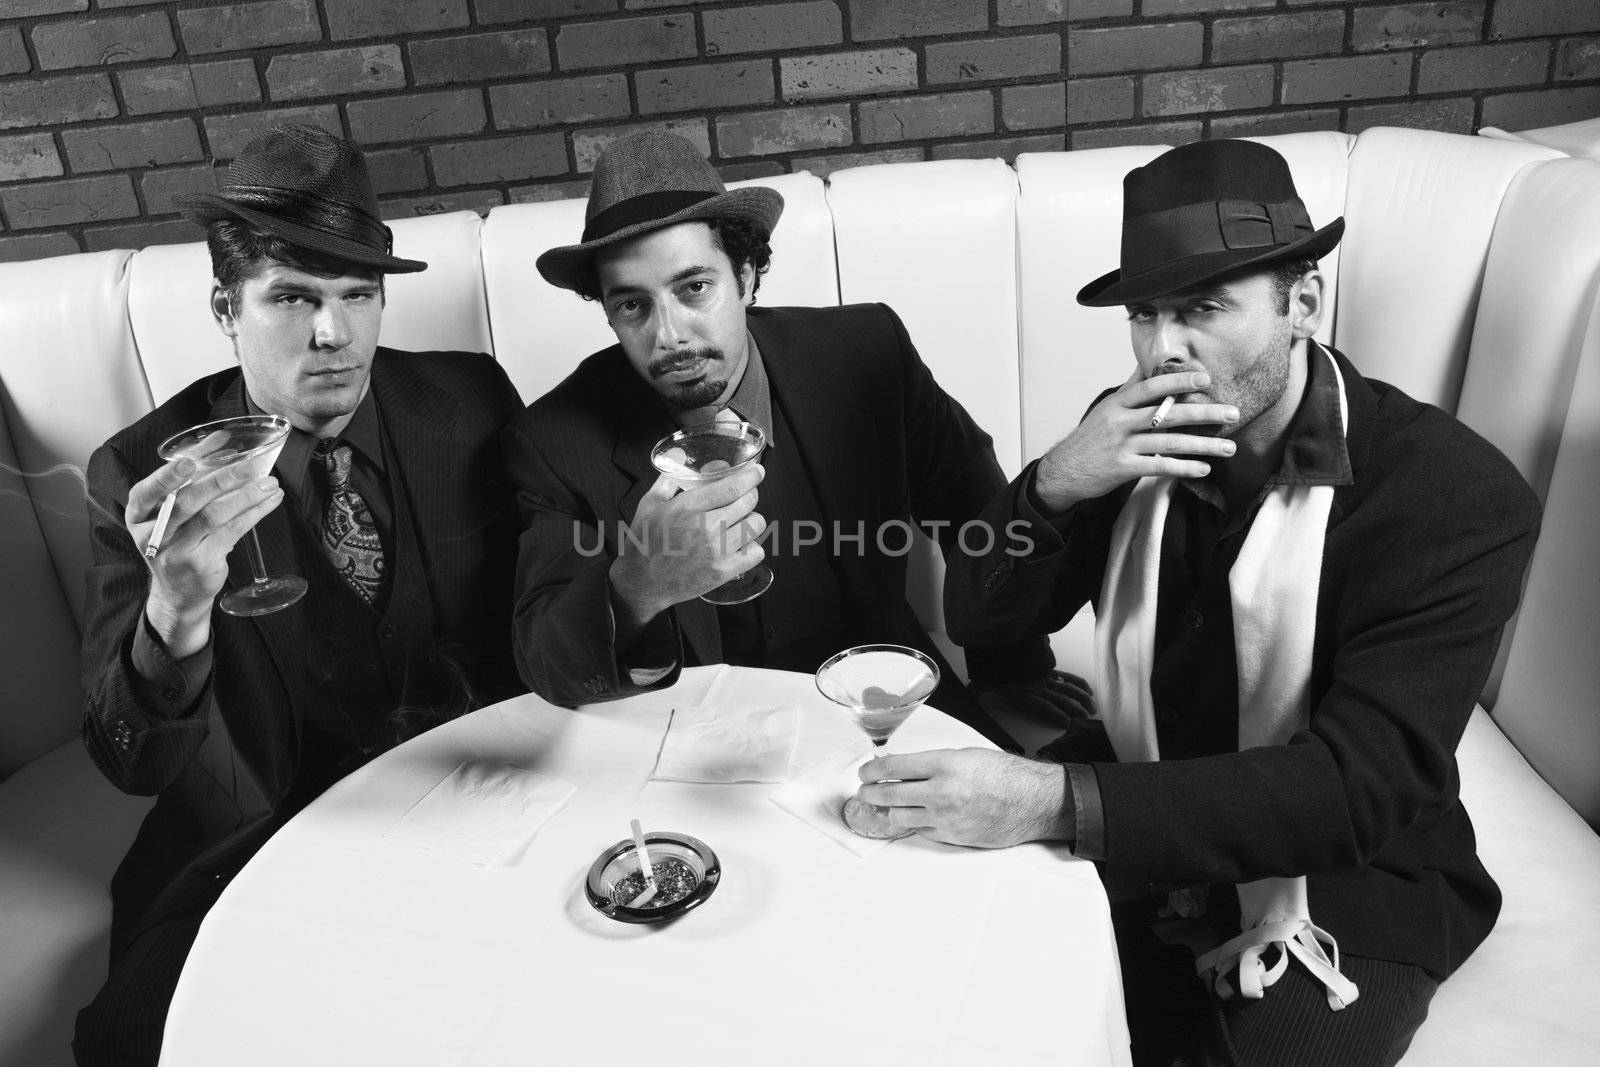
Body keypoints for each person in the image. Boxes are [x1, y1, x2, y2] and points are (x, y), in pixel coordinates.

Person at [902, 140, 1539, 1065]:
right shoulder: (1128, 430)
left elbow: (1360, 788)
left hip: (1344, 875)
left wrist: (1053, 799)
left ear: (1303, 303)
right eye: (1146, 315)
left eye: (1203, 308)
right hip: (1140, 773)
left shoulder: (1454, 495)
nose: (1165, 350)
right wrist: (1052, 485)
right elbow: (983, 621)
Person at [75, 125, 525, 1066]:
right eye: (293, 297)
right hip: (264, 835)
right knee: (134, 1040)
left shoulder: (472, 402)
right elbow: (132, 761)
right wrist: (177, 610)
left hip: (476, 811)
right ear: (223, 306)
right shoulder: (144, 471)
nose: (335, 333)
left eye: (359, 295)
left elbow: (554, 600)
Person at [503, 131, 1087, 747]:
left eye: (694, 288)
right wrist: (636, 587)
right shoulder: (552, 440)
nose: (669, 334)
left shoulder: (866, 353)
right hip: (692, 740)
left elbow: (971, 507)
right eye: (632, 306)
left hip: (881, 701)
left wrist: (1011, 663)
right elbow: (544, 660)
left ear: (747, 274)